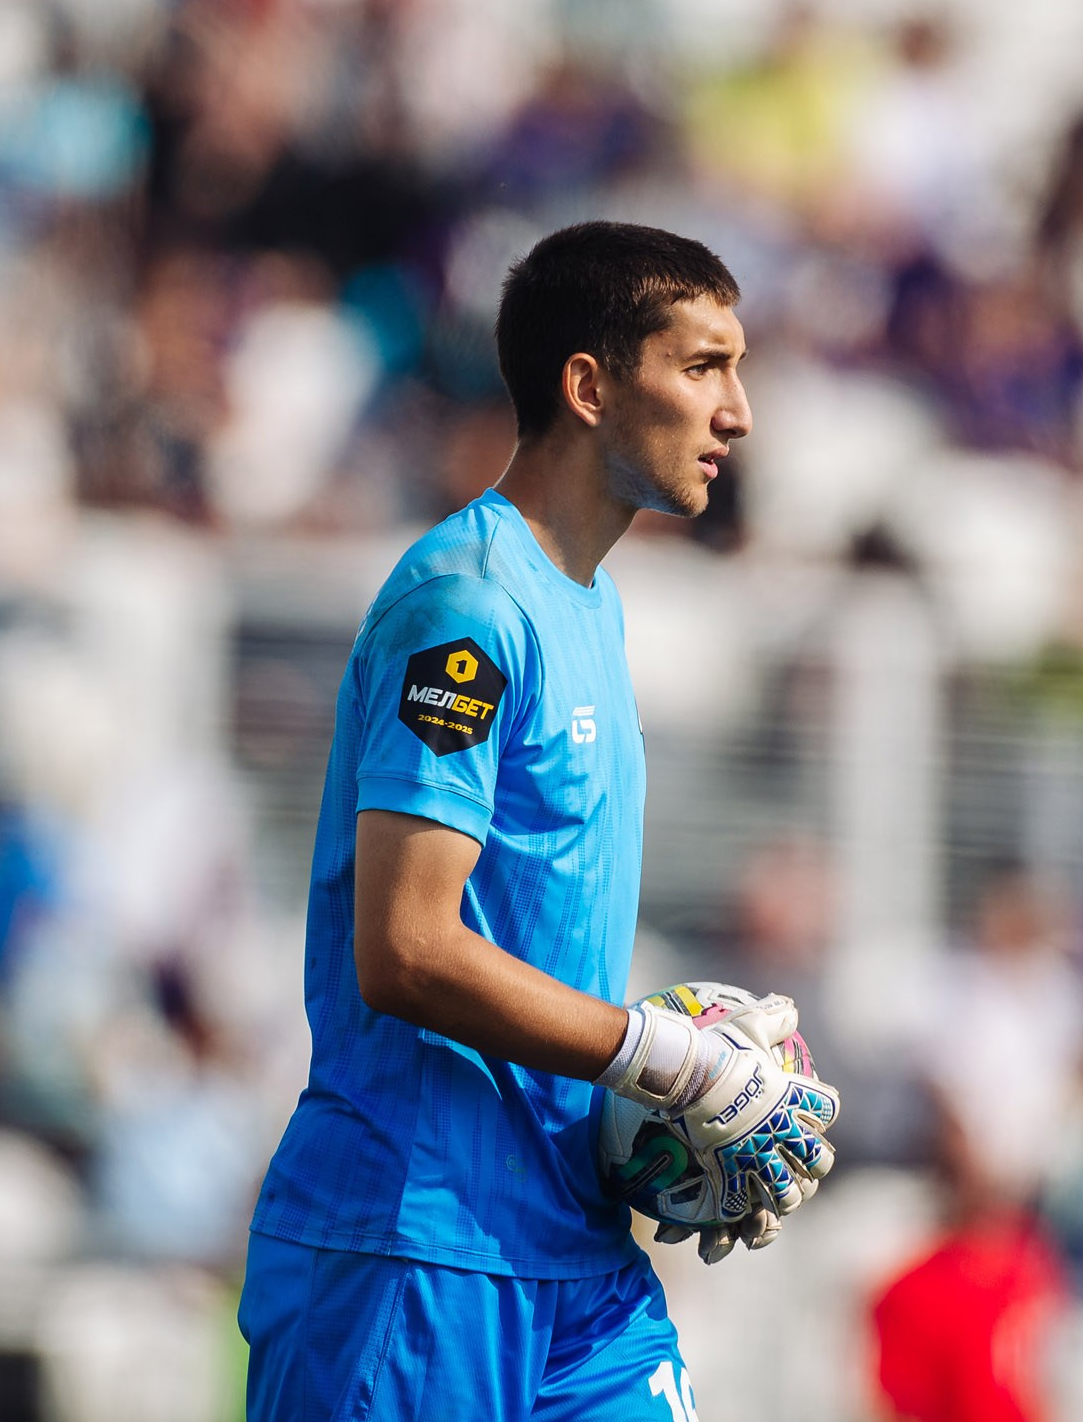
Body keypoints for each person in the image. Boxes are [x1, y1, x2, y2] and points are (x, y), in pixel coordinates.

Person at [239, 222, 841, 1420]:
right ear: (588, 386)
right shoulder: (463, 606)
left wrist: (655, 1116)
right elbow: (405, 947)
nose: (738, 412)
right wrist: (663, 1057)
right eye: (702, 366)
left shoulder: (593, 603)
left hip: (576, 1249)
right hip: (416, 1249)